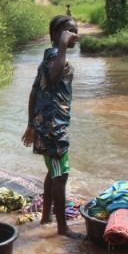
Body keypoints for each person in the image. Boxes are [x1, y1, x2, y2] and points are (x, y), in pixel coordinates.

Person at [21, 15, 81, 239]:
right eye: (69, 31)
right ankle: (62, 228)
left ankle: (47, 217)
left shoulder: (48, 56)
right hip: (52, 127)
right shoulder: (56, 55)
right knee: (61, 174)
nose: (74, 34)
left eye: (75, 30)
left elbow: (35, 91)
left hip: (46, 124)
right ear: (56, 35)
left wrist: (30, 125)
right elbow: (54, 79)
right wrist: (64, 46)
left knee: (53, 171)